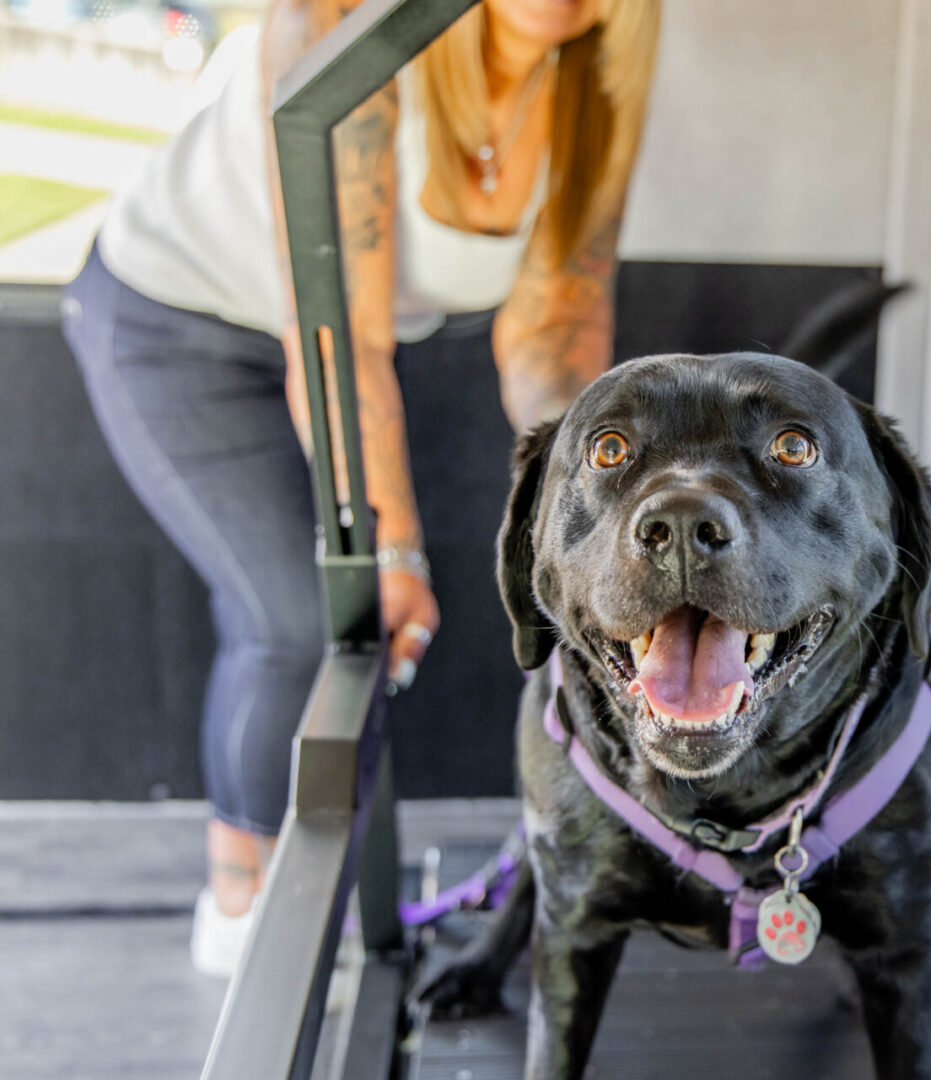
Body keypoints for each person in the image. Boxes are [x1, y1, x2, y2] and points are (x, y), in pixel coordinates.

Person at [60, 0, 660, 976]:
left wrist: (598, 515)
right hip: (175, 328)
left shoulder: (595, 89)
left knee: (326, 617)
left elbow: (556, 331)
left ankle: (295, 898)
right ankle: (242, 909)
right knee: (304, 618)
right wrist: (391, 551)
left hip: (340, 350)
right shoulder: (342, 22)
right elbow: (337, 329)